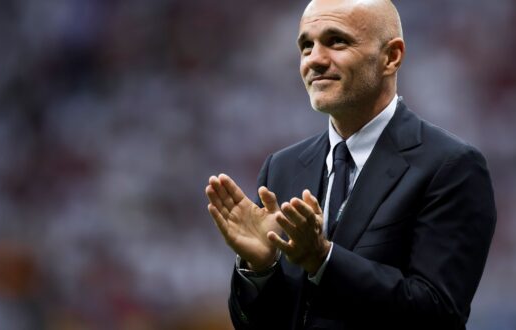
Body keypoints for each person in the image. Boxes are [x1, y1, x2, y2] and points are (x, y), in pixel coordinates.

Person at [204, 0, 496, 329]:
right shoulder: (282, 168)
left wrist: (324, 260)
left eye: (336, 41)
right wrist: (259, 269)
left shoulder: (450, 166)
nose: (314, 59)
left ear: (391, 56)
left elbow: (438, 314)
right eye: (306, 45)